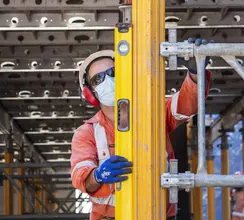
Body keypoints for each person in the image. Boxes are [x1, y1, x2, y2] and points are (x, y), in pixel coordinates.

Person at [71, 38, 213, 220]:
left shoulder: (152, 113)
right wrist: (98, 175)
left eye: (113, 72)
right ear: (91, 94)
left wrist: (196, 72)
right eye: (98, 78)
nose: (108, 80)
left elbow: (187, 104)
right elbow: (81, 177)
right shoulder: (86, 132)